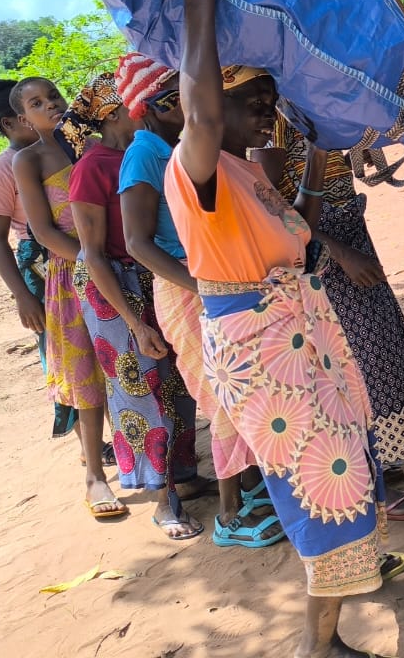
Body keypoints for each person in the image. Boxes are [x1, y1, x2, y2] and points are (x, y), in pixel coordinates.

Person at [163, 0, 400, 658]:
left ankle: (347, 590)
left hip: (297, 336)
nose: (264, 106)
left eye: (268, 95)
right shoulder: (192, 167)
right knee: (316, 482)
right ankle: (317, 644)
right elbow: (199, 108)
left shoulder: (243, 169)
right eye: (247, 97)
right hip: (267, 350)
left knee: (344, 457)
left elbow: (293, 228)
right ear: (210, 108)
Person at [116, 52, 285, 549]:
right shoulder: (145, 153)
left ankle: (253, 491)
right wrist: (204, 287)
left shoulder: (180, 149)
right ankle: (230, 515)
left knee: (244, 392)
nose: (183, 108)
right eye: (171, 100)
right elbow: (136, 242)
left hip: (211, 279)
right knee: (224, 398)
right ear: (147, 107)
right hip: (189, 287)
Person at [256, 118, 404, 521]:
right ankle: (368, 478)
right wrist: (340, 252)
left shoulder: (307, 106)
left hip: (348, 232)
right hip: (320, 255)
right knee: (350, 363)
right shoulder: (274, 120)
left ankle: (378, 456)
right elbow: (270, 210)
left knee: (378, 351)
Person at [61, 70, 207, 539]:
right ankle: (163, 502)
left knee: (179, 382)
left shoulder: (141, 154)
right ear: (122, 110)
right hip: (113, 286)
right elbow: (93, 252)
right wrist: (133, 322)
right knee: (141, 389)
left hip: (151, 276)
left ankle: (182, 477)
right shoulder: (93, 166)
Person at [11, 76, 116, 518]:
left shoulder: (92, 143)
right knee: (89, 372)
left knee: (130, 366)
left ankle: (148, 462)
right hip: (74, 273)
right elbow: (43, 231)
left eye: (53, 95)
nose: (50, 104)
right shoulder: (28, 160)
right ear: (24, 119)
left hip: (122, 264)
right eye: (37, 103)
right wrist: (92, 262)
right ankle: (95, 475)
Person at [0, 79, 80, 439]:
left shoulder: (69, 148)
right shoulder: (3, 169)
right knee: (60, 348)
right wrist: (22, 295)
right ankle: (86, 440)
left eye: (51, 98)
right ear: (12, 121)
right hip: (41, 263)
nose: (48, 107)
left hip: (77, 253)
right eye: (31, 107)